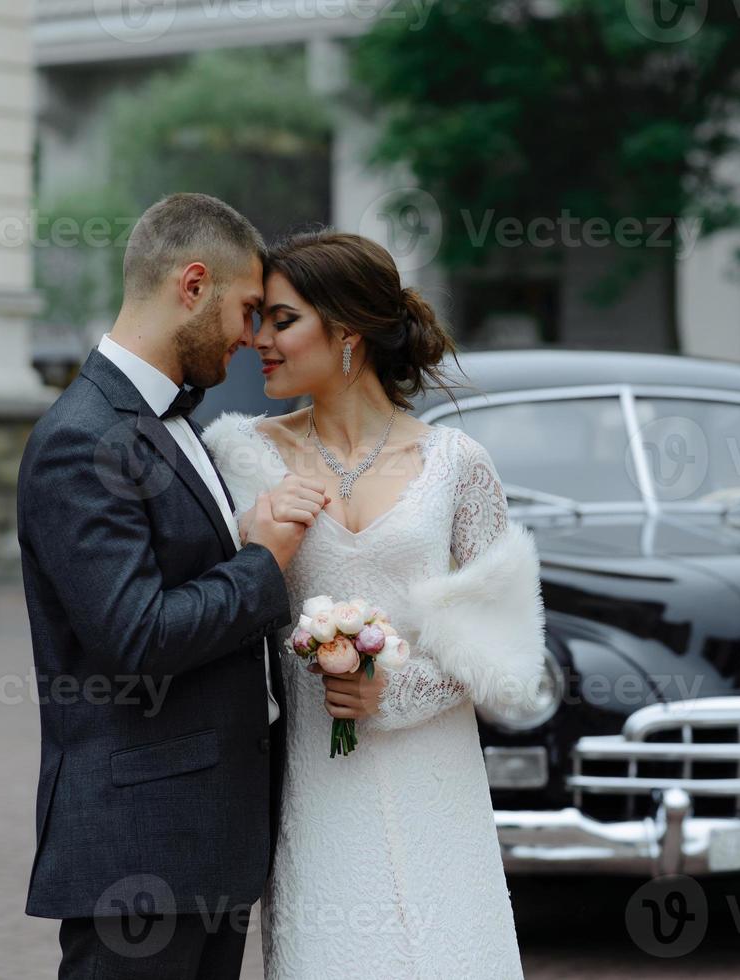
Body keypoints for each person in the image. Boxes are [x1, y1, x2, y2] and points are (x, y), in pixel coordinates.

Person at [202, 230, 546, 978]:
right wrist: (253, 537)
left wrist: (392, 689)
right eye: (258, 318)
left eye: (283, 320)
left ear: (348, 330)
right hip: (315, 784)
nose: (259, 339)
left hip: (433, 777)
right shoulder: (240, 457)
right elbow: (216, 612)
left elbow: (507, 656)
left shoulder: (456, 465)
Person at [16, 193, 339, 979]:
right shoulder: (79, 440)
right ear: (192, 286)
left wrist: (238, 539)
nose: (253, 337)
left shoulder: (176, 421)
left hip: (207, 844)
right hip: (138, 853)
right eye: (248, 309)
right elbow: (137, 637)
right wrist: (261, 560)